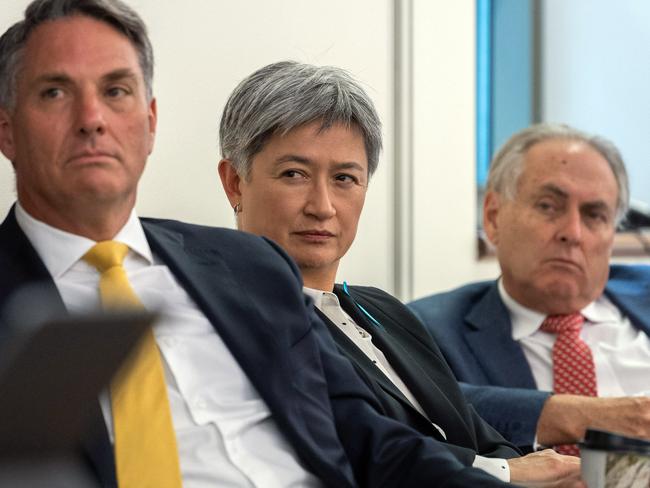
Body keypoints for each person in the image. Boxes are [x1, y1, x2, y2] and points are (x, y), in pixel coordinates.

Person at [0, 1, 516, 486]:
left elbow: (376, 443)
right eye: (55, 92)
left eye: (116, 92)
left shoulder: (246, 267)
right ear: (7, 129)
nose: (92, 118)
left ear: (150, 123)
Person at [218, 61, 582, 486]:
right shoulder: (226, 317)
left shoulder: (384, 311)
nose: (323, 205)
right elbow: (346, 449)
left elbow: (486, 438)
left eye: (344, 178)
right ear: (235, 183)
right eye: (294, 174)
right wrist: (503, 473)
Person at [409, 123, 650, 454]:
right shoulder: (425, 329)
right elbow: (407, 410)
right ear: (493, 218)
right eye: (548, 206)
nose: (573, 232)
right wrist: (580, 416)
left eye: (595, 214)